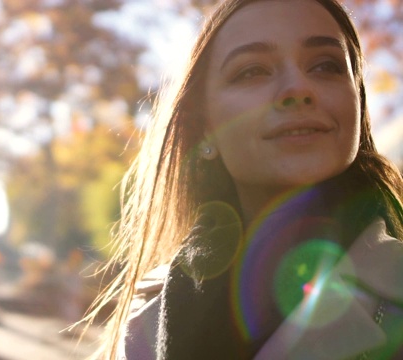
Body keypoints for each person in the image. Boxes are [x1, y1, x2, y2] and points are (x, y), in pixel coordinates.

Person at [86, 0, 403, 359]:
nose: (298, 88)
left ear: (357, 103)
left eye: (326, 66)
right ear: (206, 129)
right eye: (252, 71)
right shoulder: (142, 323)